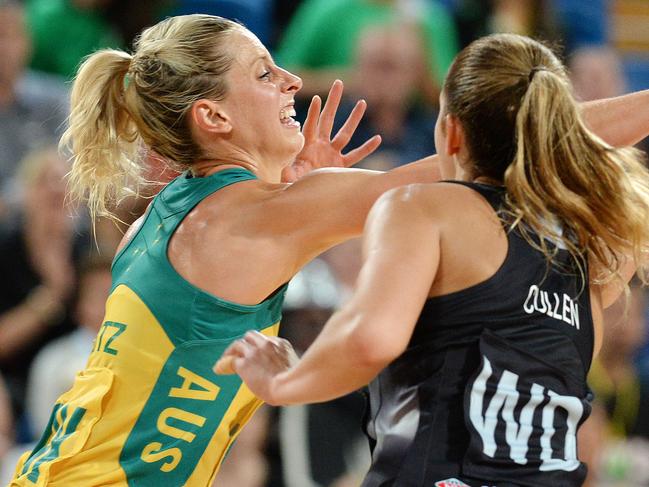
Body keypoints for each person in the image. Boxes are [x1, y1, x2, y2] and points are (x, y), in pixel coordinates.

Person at [9, 13, 442, 486]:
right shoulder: (247, 217)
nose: (292, 82)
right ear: (214, 116)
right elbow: (455, 175)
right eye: (264, 73)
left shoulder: (173, 212)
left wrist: (295, 192)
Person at [216, 33, 649, 486]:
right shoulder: (596, 249)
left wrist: (285, 382)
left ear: (453, 131)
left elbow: (371, 340)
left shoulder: (423, 206)